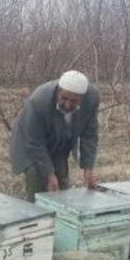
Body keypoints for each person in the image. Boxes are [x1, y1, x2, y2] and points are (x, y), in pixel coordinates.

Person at [9, 70, 100, 201]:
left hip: (59, 142)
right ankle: (37, 215)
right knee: (38, 178)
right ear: (58, 90)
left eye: (74, 101)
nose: (68, 105)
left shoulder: (92, 98)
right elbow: (34, 143)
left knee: (61, 183)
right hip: (29, 142)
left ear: (82, 98)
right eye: (64, 98)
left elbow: (90, 134)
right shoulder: (38, 100)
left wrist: (88, 167)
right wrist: (49, 174)